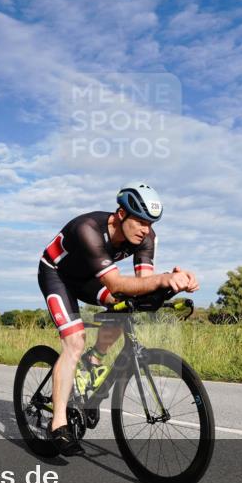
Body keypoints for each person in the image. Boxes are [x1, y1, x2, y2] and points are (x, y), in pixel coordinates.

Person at [37, 182, 199, 455]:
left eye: (151, 223)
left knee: (126, 306)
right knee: (74, 342)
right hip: (57, 274)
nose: (145, 230)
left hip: (90, 278)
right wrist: (164, 280)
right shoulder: (88, 230)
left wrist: (171, 285)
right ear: (121, 214)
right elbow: (114, 283)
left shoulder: (146, 237)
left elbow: (143, 283)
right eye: (140, 222)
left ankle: (94, 361)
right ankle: (58, 423)